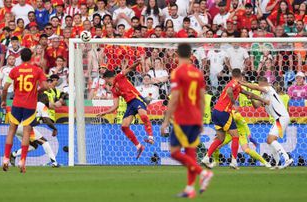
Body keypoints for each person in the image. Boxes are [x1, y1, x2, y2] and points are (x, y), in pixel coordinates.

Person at [161, 43, 213, 198]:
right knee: (190, 155)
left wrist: (166, 119)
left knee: (174, 152)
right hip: (196, 117)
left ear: (177, 55)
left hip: (182, 118)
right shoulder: (198, 73)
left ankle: (203, 172)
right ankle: (190, 188)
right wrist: (202, 119)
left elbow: (175, 97)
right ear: (191, 54)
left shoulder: (177, 72)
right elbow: (202, 98)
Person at [201, 68, 270, 170]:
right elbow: (229, 91)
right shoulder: (234, 83)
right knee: (235, 136)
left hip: (215, 112)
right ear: (240, 76)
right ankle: (234, 161)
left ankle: (206, 158)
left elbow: (250, 94)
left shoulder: (237, 86)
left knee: (220, 138)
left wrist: (263, 100)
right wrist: (234, 102)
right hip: (224, 112)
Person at [1, 48, 47, 173]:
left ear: (20, 57)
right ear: (31, 57)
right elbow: (45, 86)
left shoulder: (15, 70)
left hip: (17, 103)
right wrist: (36, 91)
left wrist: (4, 100)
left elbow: (5, 88)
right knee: (27, 132)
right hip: (30, 105)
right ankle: (22, 161)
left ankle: (5, 158)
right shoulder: (37, 70)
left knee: (11, 130)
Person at [97, 60, 154, 159]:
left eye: (105, 80)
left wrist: (137, 63)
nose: (105, 82)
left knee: (143, 116)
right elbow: (115, 106)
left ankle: (150, 137)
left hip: (137, 99)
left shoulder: (119, 77)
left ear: (107, 78)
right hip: (130, 104)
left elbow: (129, 69)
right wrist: (105, 112)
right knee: (124, 126)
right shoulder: (113, 90)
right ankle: (139, 146)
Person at [240, 77, 294, 169]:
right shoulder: (264, 96)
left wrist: (242, 83)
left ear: (264, 83)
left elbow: (256, 88)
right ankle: (277, 163)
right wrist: (251, 99)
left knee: (271, 140)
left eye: (260, 85)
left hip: (282, 117)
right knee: (269, 140)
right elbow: (256, 106)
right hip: (279, 119)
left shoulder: (269, 89)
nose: (259, 88)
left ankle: (287, 159)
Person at [10, 93, 60, 168]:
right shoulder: (42, 106)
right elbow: (47, 120)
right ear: (45, 99)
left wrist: (40, 121)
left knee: (33, 146)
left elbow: (34, 122)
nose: (48, 100)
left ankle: (14, 154)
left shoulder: (33, 105)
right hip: (25, 127)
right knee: (44, 141)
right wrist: (54, 128)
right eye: (47, 98)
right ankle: (54, 162)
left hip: (16, 127)